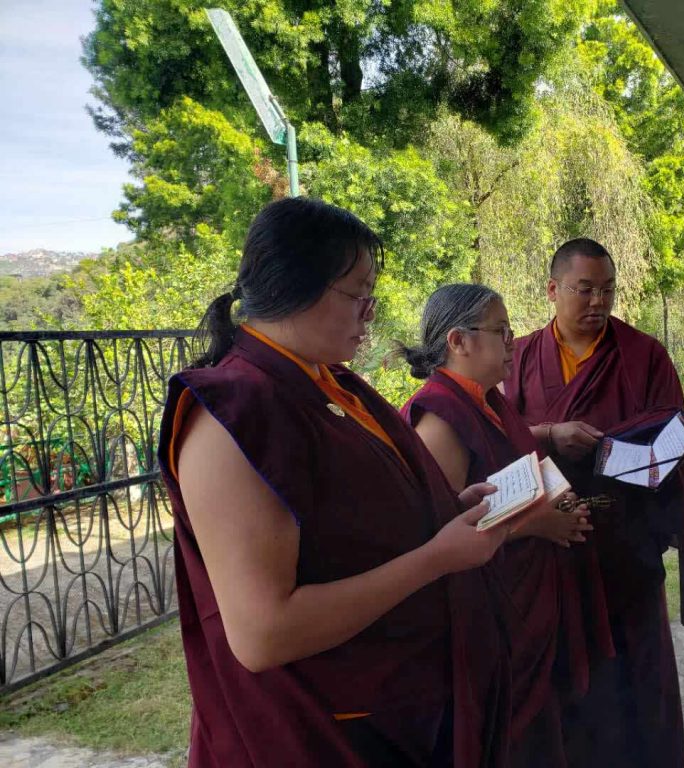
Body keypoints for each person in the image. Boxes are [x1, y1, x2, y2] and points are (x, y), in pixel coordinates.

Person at [157, 198, 512, 767]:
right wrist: (437, 558)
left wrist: (443, 508)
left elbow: (355, 516)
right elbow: (263, 634)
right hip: (326, 728)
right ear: (296, 285)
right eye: (358, 293)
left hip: (404, 702)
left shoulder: (331, 382)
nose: (369, 312)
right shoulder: (234, 409)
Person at [504, 237, 684, 768]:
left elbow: (676, 443)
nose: (597, 303)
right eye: (584, 290)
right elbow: (496, 438)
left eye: (607, 290)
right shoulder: (518, 357)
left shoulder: (643, 355)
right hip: (548, 555)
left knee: (636, 685)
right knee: (559, 691)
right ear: (553, 289)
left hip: (626, 551)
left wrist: (621, 459)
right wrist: (550, 434)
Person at [398, 284, 595, 767]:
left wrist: (558, 502)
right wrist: (537, 524)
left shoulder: (487, 400)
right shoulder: (440, 417)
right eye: (501, 330)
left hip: (523, 607)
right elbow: (439, 535)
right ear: (458, 342)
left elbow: (516, 472)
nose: (512, 341)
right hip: (486, 617)